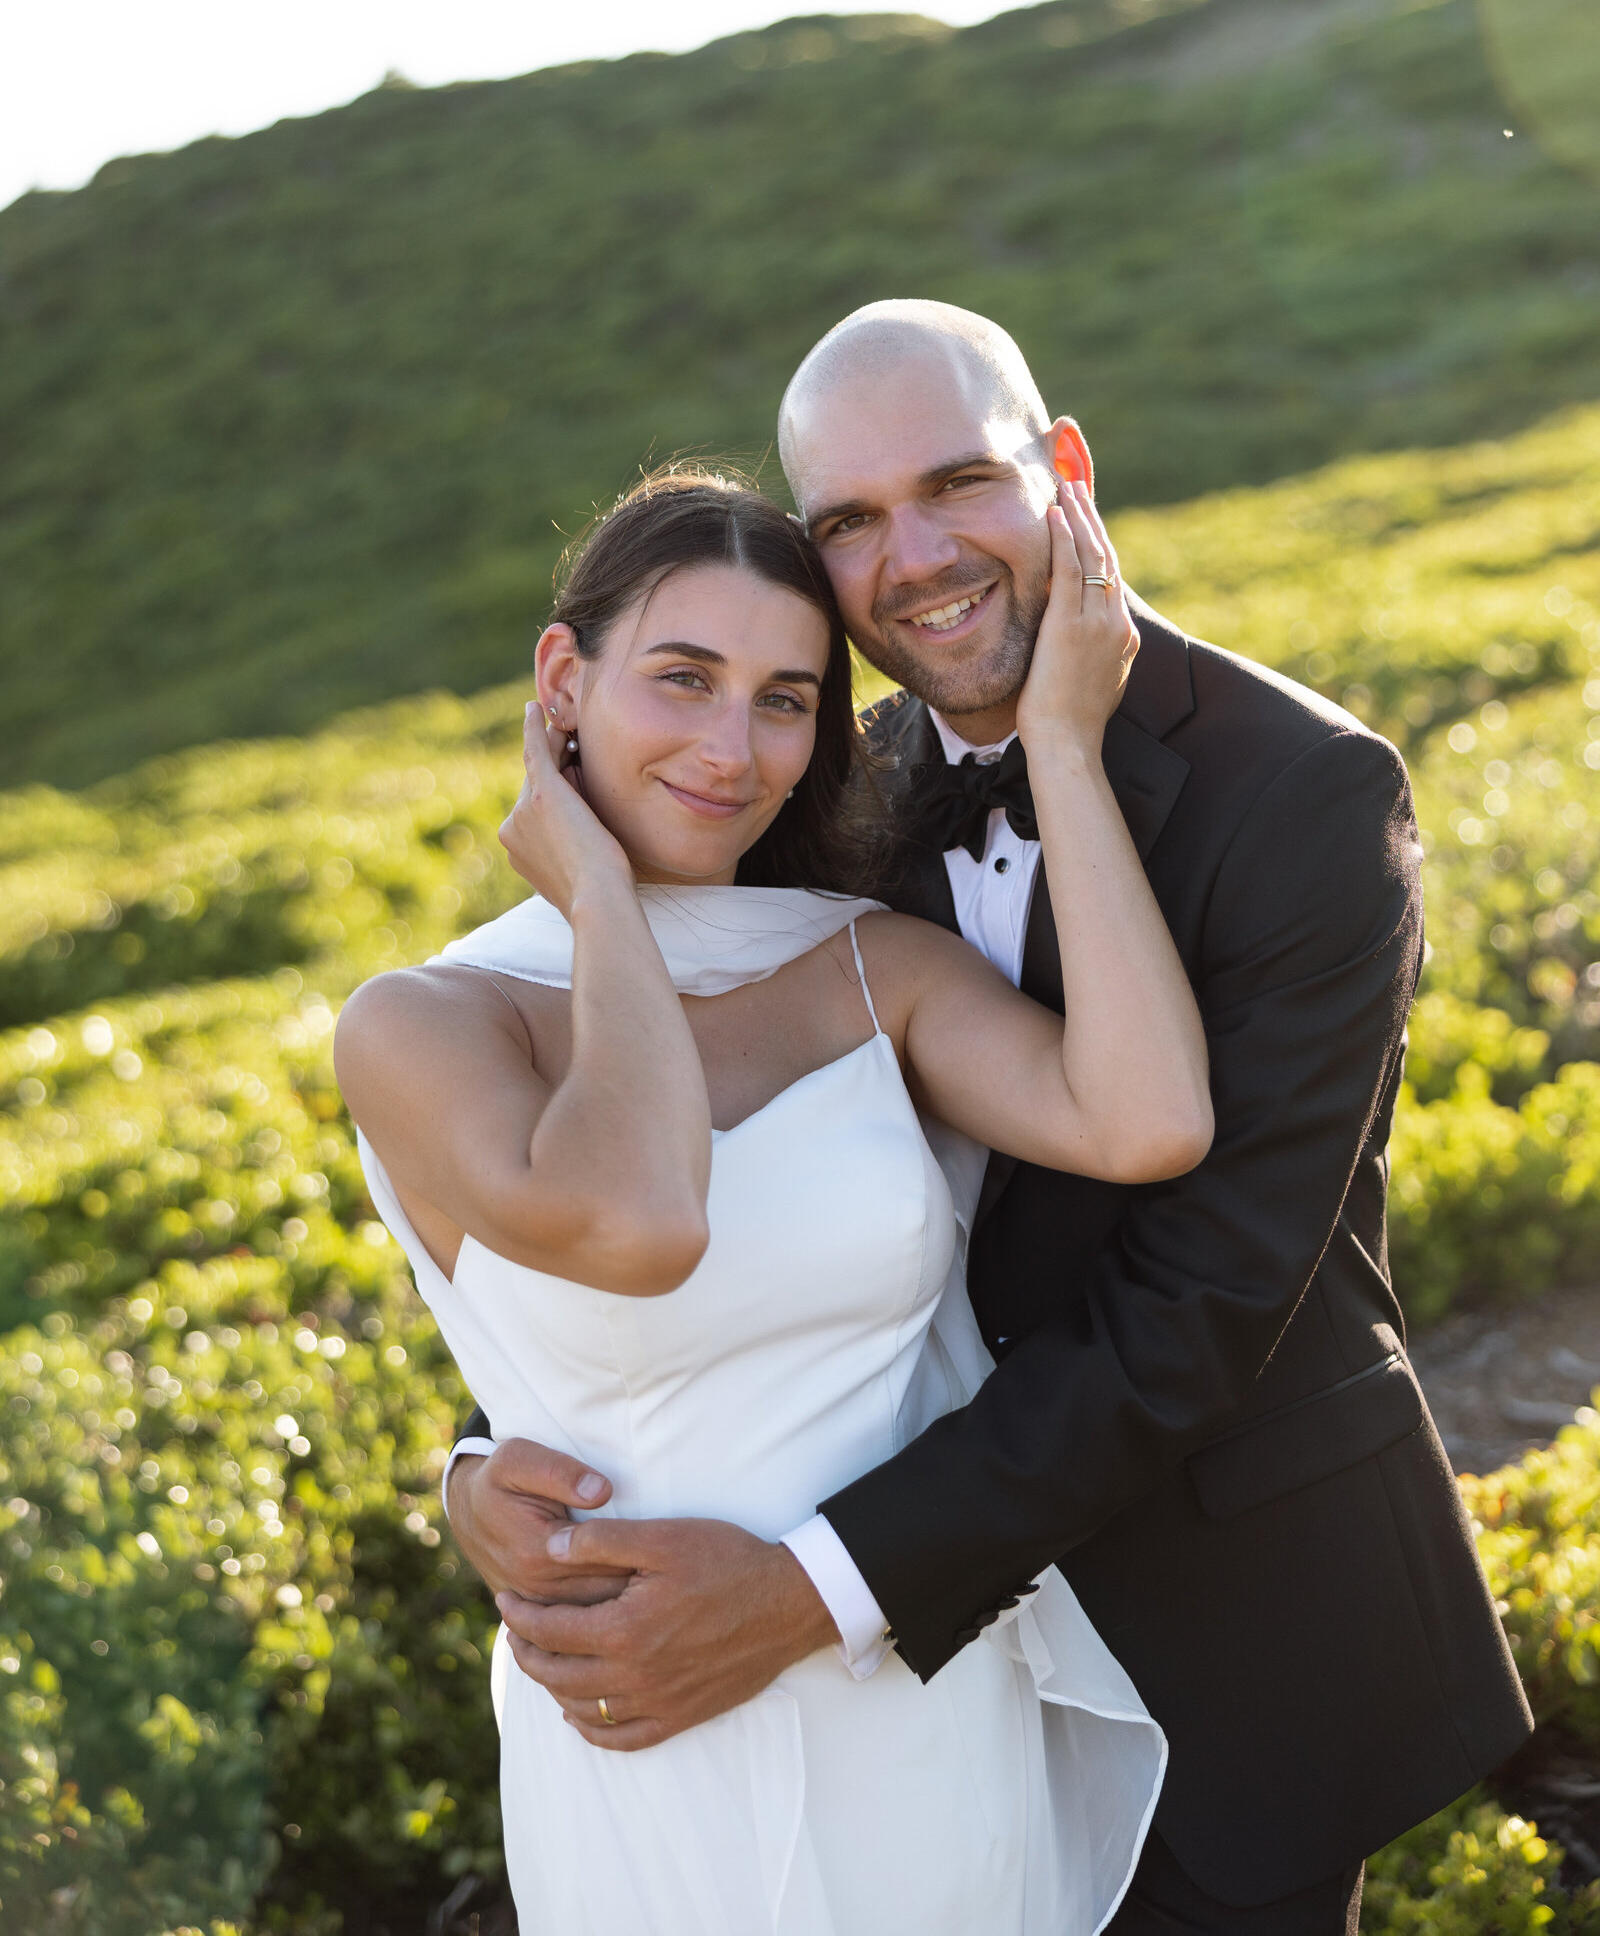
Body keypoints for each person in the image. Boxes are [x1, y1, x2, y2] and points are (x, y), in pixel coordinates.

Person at [445, 302, 1533, 1936]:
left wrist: (817, 1592)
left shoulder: (1305, 794)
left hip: (1224, 1636)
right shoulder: (819, 786)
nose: (917, 557)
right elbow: (655, 1160)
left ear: (1066, 472)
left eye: (960, 483)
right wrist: (482, 1464)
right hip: (903, 1705)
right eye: (854, 522)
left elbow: (1202, 1302)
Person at [336, 463, 1212, 1935]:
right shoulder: (425, 1025)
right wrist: (604, 904)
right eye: (683, 679)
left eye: (786, 699)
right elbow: (643, 1224)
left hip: (916, 1704)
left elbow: (1146, 1120)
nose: (732, 749)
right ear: (565, 678)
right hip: (649, 1743)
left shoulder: (874, 966)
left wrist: (1061, 738)